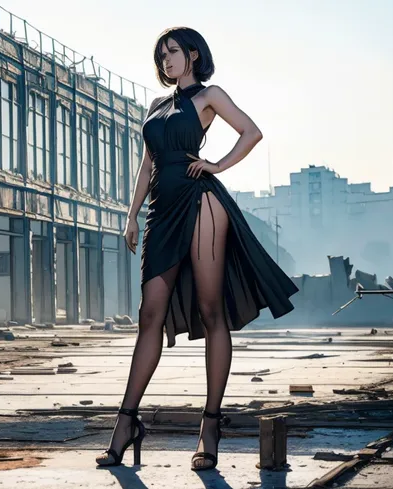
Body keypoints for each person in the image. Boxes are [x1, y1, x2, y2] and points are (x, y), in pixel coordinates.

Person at [95, 26, 299, 471]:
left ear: (192, 54)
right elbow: (147, 163)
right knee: (150, 314)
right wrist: (131, 215)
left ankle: (210, 428)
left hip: (202, 203)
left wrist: (216, 165)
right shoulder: (155, 107)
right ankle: (125, 423)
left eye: (173, 52)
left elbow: (251, 132)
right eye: (161, 55)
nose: (166, 60)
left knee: (211, 312)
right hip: (161, 211)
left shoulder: (209, 96)